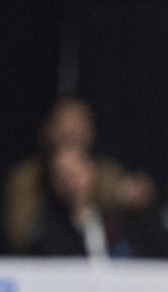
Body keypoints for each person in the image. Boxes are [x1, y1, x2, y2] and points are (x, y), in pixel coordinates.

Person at [4, 97, 154, 254]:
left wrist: (133, 197)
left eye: (79, 125)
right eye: (64, 125)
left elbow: (132, 208)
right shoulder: (27, 177)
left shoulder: (107, 173)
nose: (71, 132)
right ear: (47, 130)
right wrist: (61, 197)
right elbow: (20, 236)